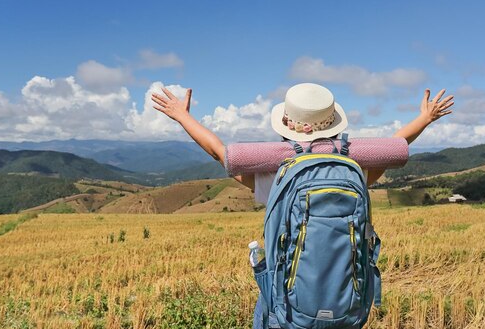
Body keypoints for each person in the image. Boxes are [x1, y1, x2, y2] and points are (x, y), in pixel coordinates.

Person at [151, 82, 453, 328]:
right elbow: (393, 146)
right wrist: (425, 119)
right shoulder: (354, 170)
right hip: (346, 307)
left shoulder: (278, 176)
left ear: (287, 127)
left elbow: (221, 154)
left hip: (285, 312)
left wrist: (182, 116)